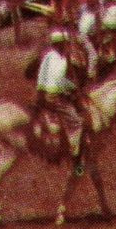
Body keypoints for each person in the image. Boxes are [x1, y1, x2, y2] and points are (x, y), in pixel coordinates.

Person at [35, 29, 85, 158]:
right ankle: (74, 151)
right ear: (60, 44)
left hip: (44, 94)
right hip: (55, 97)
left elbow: (42, 77)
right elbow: (59, 80)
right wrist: (73, 89)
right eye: (65, 43)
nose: (66, 46)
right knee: (77, 121)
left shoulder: (48, 56)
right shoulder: (60, 60)